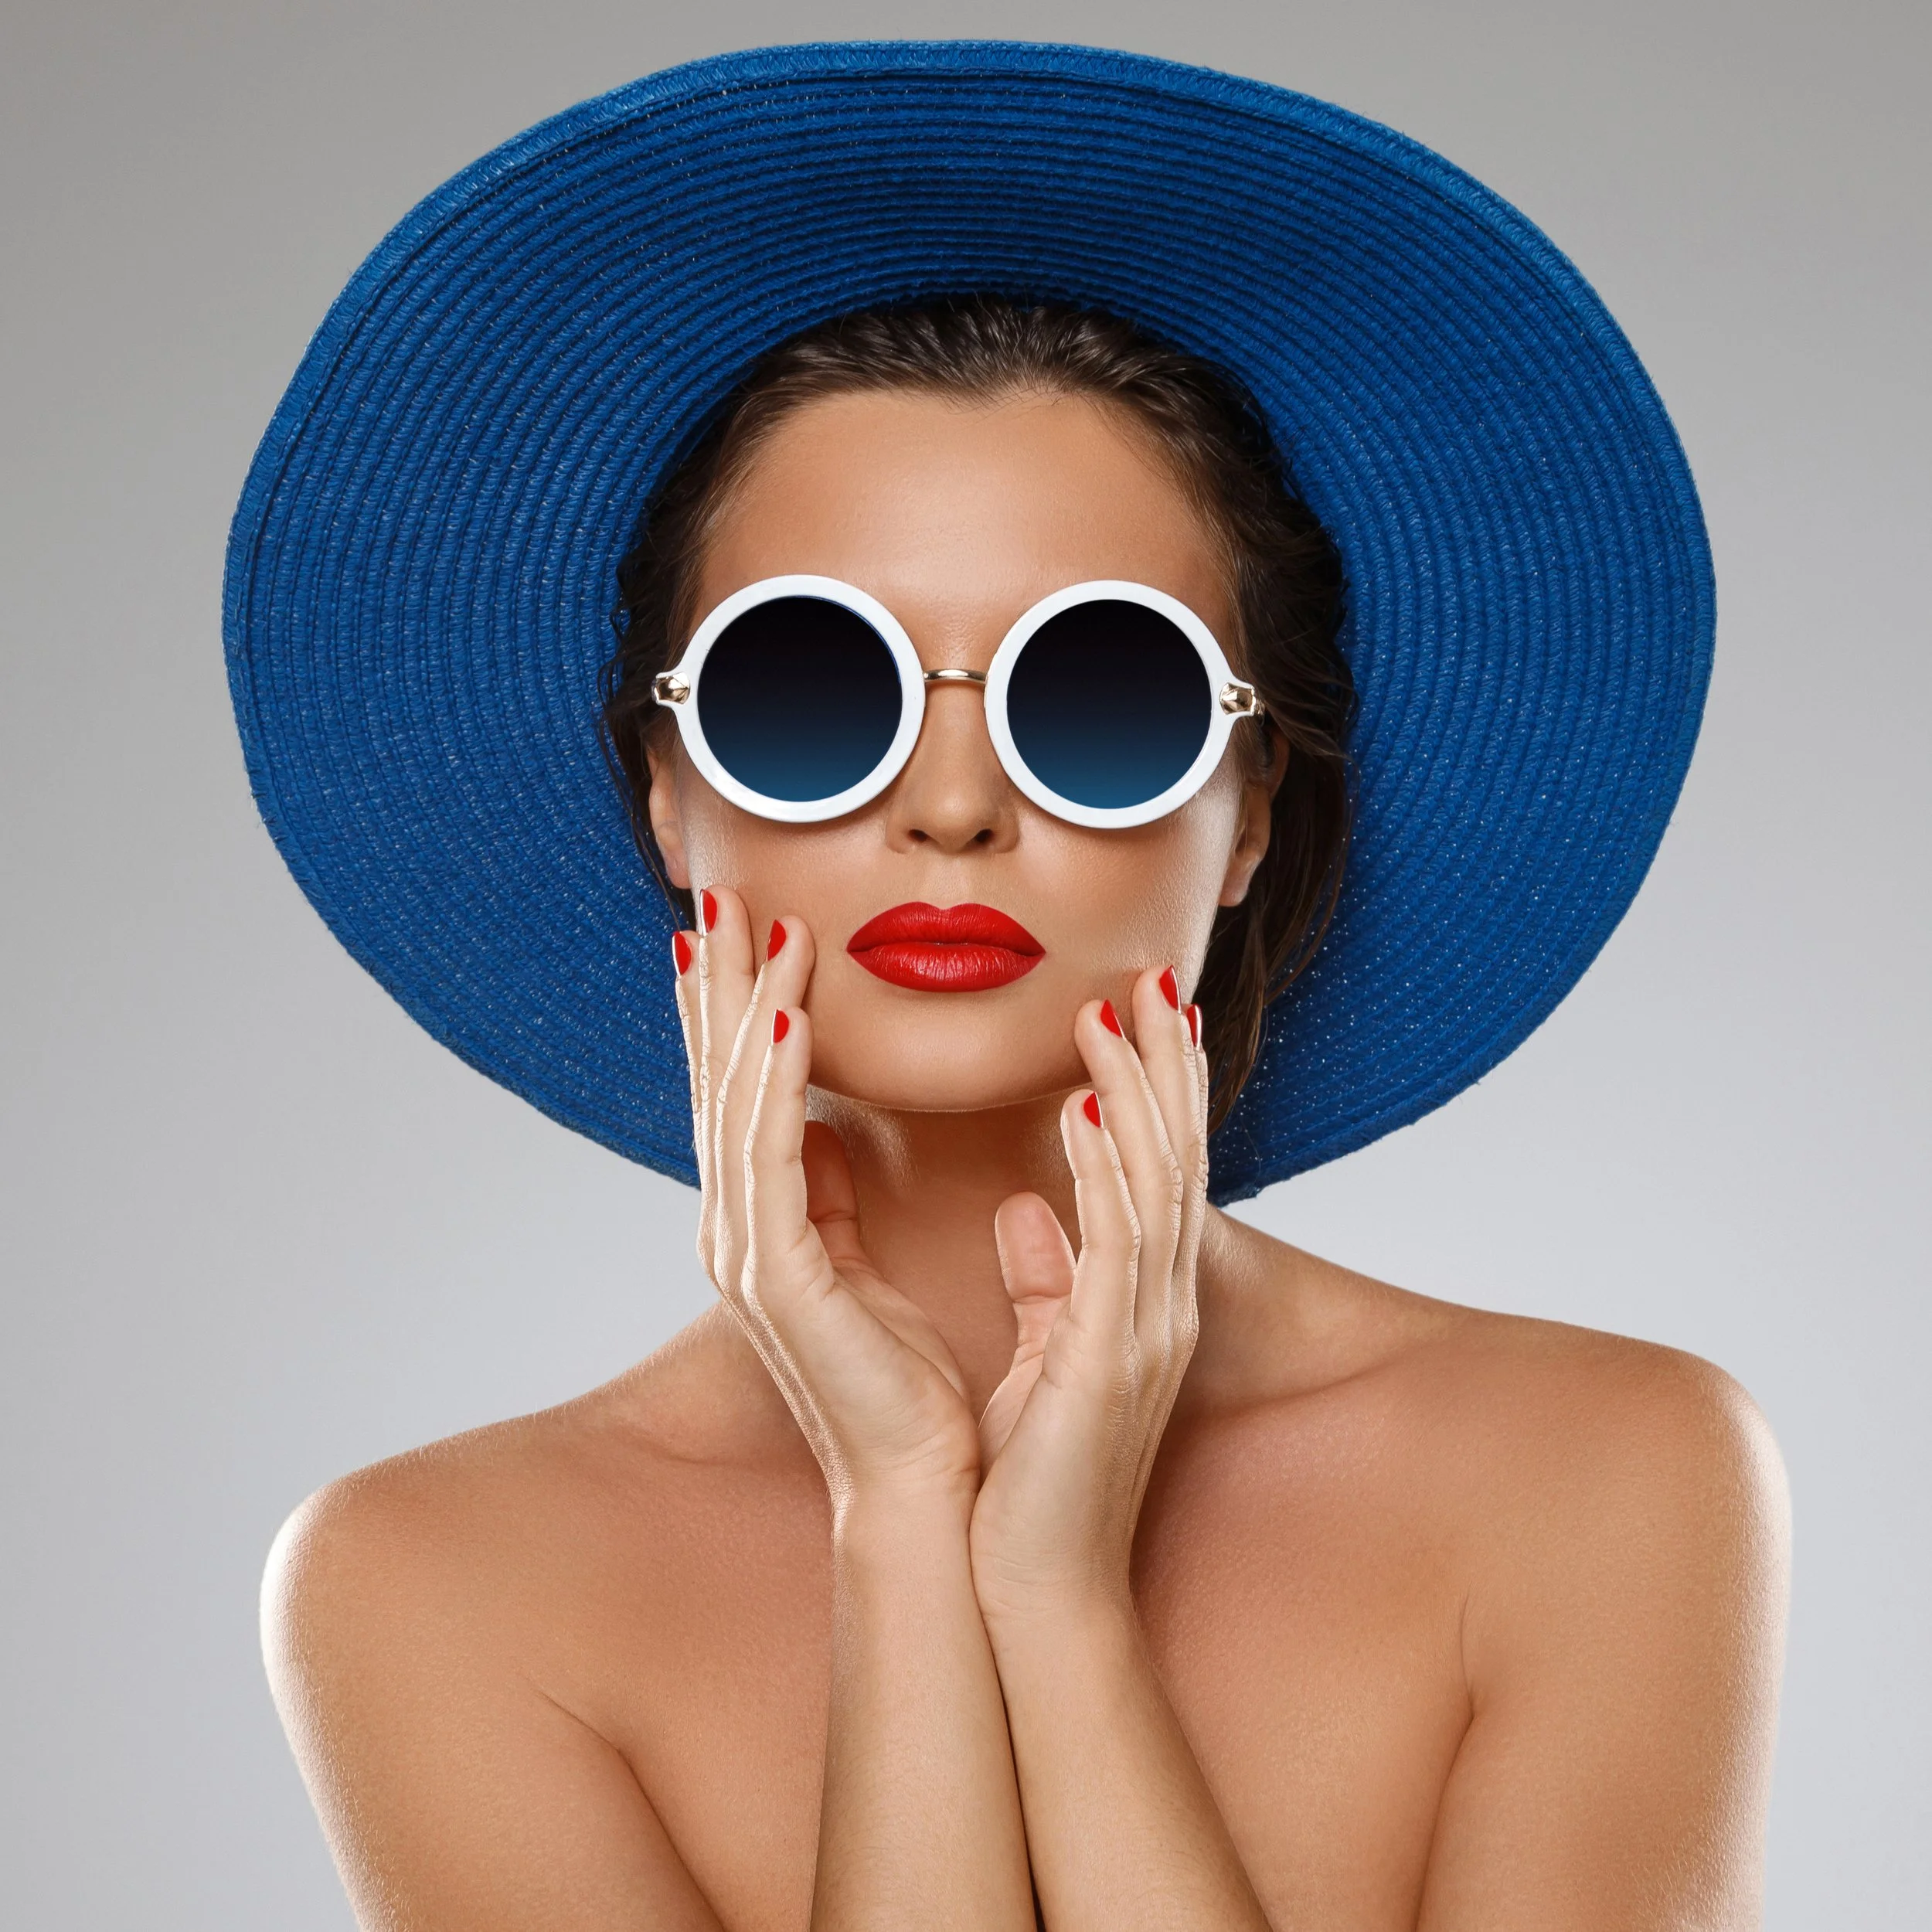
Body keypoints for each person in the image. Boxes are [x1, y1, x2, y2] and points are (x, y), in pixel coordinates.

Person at [236, 46, 1789, 1932]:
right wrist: (904, 1524)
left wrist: (1056, 1601)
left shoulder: (1612, 1479)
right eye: (813, 690)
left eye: (1097, 696)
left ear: (1245, 812)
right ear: (666, 790)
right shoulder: (428, 1583)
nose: (955, 802)